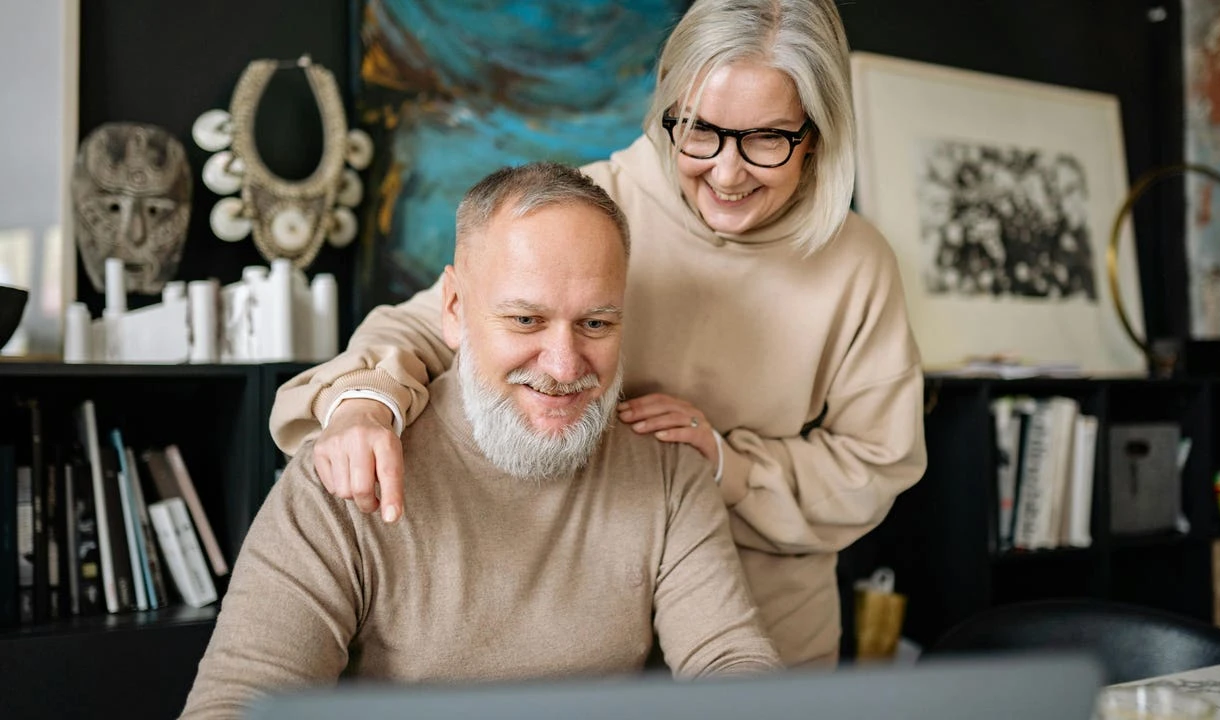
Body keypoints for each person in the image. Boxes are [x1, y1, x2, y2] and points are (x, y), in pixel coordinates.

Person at [270, 0, 927, 669]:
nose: (727, 174)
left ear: (813, 135)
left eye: (766, 139)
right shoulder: (596, 210)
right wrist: (362, 402)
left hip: (763, 628)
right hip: (592, 616)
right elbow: (431, 324)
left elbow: (878, 463)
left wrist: (727, 465)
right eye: (701, 131)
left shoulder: (858, 264)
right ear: (669, 110)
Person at [181, 163, 780, 719]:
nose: (565, 365)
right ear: (454, 310)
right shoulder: (349, 468)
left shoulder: (668, 468)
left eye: (596, 323)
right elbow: (236, 703)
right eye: (525, 320)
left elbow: (729, 662)